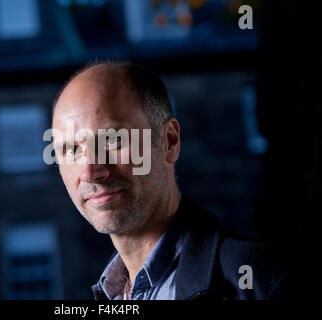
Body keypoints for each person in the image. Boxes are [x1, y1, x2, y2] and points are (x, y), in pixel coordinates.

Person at [51, 61, 287, 300]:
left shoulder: (259, 282)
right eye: (71, 150)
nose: (90, 172)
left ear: (169, 141)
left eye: (112, 140)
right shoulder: (111, 294)